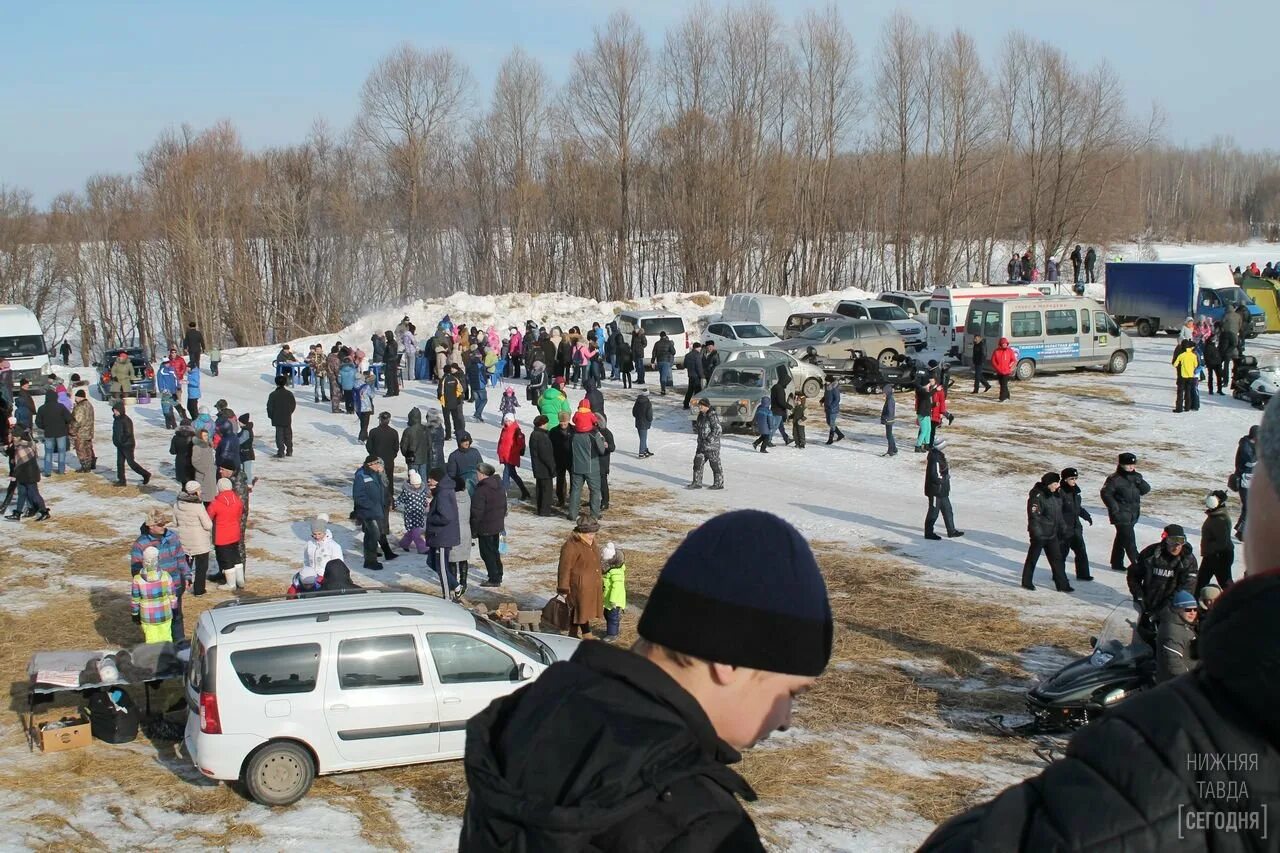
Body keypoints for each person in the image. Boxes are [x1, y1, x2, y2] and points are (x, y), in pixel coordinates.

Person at [461, 510, 831, 851]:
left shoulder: (536, 712)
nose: (786, 721)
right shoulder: (704, 828)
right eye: (790, 692)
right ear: (730, 661)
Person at [130, 507, 190, 637]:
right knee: (158, 621)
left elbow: (181, 557)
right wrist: (150, 581)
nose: (164, 526)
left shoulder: (172, 537)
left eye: (164, 523)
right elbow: (135, 570)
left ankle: (179, 646)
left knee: (177, 616)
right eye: (160, 524)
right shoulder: (140, 544)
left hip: (175, 584)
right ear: (151, 526)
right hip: (154, 591)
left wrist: (187, 575)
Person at [1129, 524, 1197, 623]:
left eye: (1181, 541)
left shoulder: (1187, 559)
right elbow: (1133, 575)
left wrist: (1167, 605)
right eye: (1172, 541)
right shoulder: (1151, 554)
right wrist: (1139, 596)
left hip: (1173, 610)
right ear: (1165, 540)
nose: (1176, 546)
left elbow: (1187, 587)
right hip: (1147, 605)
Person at [1101, 451, 1150, 574]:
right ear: (1121, 465)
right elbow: (1106, 493)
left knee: (1121, 538)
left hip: (1133, 513)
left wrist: (1140, 482)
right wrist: (1114, 508)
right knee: (1129, 541)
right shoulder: (1114, 479)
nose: (1131, 467)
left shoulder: (1137, 476)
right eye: (1128, 465)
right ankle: (1139, 566)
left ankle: (1116, 562)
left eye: (1133, 465)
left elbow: (1145, 490)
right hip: (1121, 515)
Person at [1022, 472, 1072, 592]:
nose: (1057, 486)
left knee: (1057, 559)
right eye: (1055, 483)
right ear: (1048, 484)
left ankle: (1063, 585)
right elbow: (1034, 517)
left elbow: (1058, 515)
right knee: (1033, 559)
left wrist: (1064, 529)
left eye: (1057, 483)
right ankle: (1026, 582)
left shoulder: (1056, 496)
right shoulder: (1037, 496)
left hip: (1052, 534)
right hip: (1039, 534)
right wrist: (1037, 534)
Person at [556, 514, 603, 638]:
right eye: (589, 533)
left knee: (578, 610)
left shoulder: (591, 543)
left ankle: (572, 634)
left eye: (594, 532)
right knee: (581, 611)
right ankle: (587, 634)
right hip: (578, 586)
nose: (592, 535)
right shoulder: (571, 546)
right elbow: (564, 568)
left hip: (589, 585)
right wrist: (563, 588)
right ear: (581, 532)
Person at [424, 467, 463, 599]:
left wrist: (430, 516)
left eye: (431, 478)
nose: (428, 480)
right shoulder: (440, 491)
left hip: (442, 537)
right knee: (431, 562)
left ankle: (447, 596)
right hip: (437, 536)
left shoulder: (443, 494)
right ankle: (456, 586)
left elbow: (446, 516)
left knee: (441, 567)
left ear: (438, 480)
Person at [174, 481, 214, 595]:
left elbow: (174, 522)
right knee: (201, 567)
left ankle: (183, 586)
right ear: (196, 491)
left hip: (184, 541)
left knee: (185, 566)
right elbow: (208, 525)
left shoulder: (177, 504)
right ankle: (199, 590)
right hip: (199, 542)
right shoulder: (198, 506)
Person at [130, 546, 176, 644]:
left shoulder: (137, 579)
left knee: (151, 640)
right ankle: (168, 657)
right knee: (166, 638)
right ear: (157, 560)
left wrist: (135, 614)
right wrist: (174, 609)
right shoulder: (166, 576)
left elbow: (135, 599)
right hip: (165, 614)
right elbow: (172, 595)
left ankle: (152, 657)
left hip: (148, 617)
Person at [471, 463, 507, 587]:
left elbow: (476, 512)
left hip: (485, 526)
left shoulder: (481, 490)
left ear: (483, 474)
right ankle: (498, 573)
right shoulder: (499, 485)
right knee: (494, 550)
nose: (476, 476)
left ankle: (494, 578)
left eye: (477, 474)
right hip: (496, 525)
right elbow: (504, 505)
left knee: (487, 553)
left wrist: (473, 529)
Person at [206, 477, 244, 591]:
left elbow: (208, 518)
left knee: (225, 559)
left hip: (222, 537)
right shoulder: (237, 500)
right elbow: (239, 514)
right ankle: (240, 580)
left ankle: (231, 584)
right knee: (235, 557)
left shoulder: (216, 503)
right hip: (235, 533)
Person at [4, 428, 49, 521]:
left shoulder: (22, 448)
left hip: (29, 475)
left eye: (15, 437)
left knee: (34, 494)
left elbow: (19, 465)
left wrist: (13, 475)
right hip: (23, 474)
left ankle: (44, 512)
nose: (14, 438)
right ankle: (17, 513)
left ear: (20, 437)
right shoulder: (25, 444)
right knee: (22, 493)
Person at [1156, 588, 1200, 683]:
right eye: (1188, 609)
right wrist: (1192, 681)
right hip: (1178, 685)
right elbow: (1174, 664)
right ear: (1178, 610)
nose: (1193, 612)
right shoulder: (1173, 631)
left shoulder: (1183, 625)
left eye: (1195, 609)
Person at [353, 456, 388, 571]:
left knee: (369, 534)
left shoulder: (375, 473)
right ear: (370, 464)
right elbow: (358, 496)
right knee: (374, 535)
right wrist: (370, 506)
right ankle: (370, 561)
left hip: (377, 509)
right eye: (377, 463)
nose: (379, 465)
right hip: (368, 511)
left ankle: (369, 557)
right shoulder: (361, 475)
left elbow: (383, 487)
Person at [1058, 467, 1094, 582]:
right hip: (1064, 528)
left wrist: (1086, 516)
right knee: (1062, 553)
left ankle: (1083, 574)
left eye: (1076, 478)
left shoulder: (1076, 493)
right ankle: (1058, 575)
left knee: (1081, 551)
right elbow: (1056, 510)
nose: (1074, 481)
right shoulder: (1060, 493)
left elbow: (1077, 508)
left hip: (1076, 527)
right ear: (1064, 479)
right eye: (1071, 478)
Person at [567, 405, 603, 519]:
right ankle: (594, 515)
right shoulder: (594, 435)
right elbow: (601, 450)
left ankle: (572, 514)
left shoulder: (573, 435)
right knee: (595, 491)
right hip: (592, 467)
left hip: (577, 466)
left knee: (575, 491)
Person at [924, 437, 962, 540]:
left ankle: (951, 531)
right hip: (935, 491)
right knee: (933, 512)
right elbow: (934, 475)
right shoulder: (935, 458)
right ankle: (928, 533)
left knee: (948, 510)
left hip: (942, 490)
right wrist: (945, 478)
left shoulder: (939, 455)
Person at [1197, 491, 1234, 591]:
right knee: (1201, 582)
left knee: (1202, 583)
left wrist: (1209, 549)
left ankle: (1238, 603)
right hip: (1214, 555)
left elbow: (1222, 542)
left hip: (1218, 556)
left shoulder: (1220, 519)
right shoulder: (1216, 515)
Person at [111, 402, 151, 486]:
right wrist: (115, 441)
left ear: (120, 410)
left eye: (116, 410)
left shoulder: (126, 420)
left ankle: (145, 474)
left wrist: (122, 441)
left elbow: (128, 433)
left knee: (131, 463)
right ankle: (121, 480)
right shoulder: (116, 419)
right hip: (120, 445)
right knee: (120, 463)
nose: (115, 412)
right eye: (114, 410)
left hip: (127, 445)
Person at [366, 410, 400, 505]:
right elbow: (396, 447)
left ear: (380, 420)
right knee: (389, 481)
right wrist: (392, 456)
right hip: (389, 461)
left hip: (376, 462)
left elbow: (369, 446)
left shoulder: (373, 432)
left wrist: (373, 456)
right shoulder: (394, 432)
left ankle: (377, 500)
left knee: (376, 480)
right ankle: (390, 500)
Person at [35, 390, 72, 477]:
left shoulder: (42, 408)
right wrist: (64, 425)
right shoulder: (61, 407)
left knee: (48, 452)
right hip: (61, 432)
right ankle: (61, 470)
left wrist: (44, 427)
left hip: (48, 433)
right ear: (56, 397)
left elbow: (38, 422)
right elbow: (69, 418)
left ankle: (47, 471)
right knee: (62, 452)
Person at [395, 470, 431, 554]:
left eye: (418, 484)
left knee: (412, 532)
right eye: (415, 485)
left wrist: (426, 504)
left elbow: (423, 499)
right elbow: (400, 499)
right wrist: (394, 505)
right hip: (410, 516)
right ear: (411, 484)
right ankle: (422, 548)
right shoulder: (407, 492)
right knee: (416, 533)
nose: (417, 486)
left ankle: (403, 544)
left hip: (418, 514)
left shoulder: (422, 490)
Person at [497, 414, 531, 501]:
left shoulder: (516, 430)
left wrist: (514, 452)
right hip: (505, 455)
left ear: (512, 421)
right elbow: (501, 441)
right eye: (506, 421)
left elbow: (520, 444)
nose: (507, 422)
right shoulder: (504, 429)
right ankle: (525, 491)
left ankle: (503, 494)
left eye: (509, 421)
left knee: (506, 474)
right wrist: (499, 450)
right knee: (513, 474)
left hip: (511, 456)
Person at [529, 415, 556, 517]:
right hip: (544, 468)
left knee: (540, 489)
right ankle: (545, 511)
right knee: (546, 491)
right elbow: (546, 455)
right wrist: (552, 467)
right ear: (543, 424)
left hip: (537, 467)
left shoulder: (534, 434)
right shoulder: (542, 437)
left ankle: (540, 509)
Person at [399, 406, 433, 488]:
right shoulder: (425, 429)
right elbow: (430, 444)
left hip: (412, 459)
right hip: (423, 458)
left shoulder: (408, 431)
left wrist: (406, 455)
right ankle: (423, 494)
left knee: (413, 479)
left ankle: (413, 494)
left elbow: (403, 446)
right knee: (423, 478)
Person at [302, 516, 345, 581]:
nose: (317, 536)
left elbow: (338, 564)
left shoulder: (333, 546)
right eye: (314, 534)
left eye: (319, 534)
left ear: (324, 532)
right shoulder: (310, 544)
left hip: (326, 577)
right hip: (312, 577)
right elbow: (306, 559)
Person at [1233, 425, 1256, 540]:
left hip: (1251, 480)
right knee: (1248, 506)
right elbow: (1250, 462)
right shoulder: (1245, 446)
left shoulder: (1251, 444)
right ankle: (1241, 532)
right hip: (1244, 480)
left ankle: (1241, 528)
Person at [446, 431, 483, 496]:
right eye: (463, 441)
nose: (466, 443)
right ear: (459, 442)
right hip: (463, 484)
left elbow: (482, 468)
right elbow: (452, 474)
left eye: (467, 440)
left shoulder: (475, 452)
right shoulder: (454, 456)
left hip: (477, 481)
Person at [550, 409, 573, 509]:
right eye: (561, 422)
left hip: (571, 459)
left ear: (568, 420)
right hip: (559, 459)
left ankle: (573, 499)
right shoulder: (553, 431)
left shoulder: (574, 430)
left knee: (574, 480)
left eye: (565, 422)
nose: (563, 424)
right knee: (560, 480)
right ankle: (561, 499)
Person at [70, 389, 95, 472]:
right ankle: (91, 464)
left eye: (76, 397)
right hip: (89, 431)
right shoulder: (89, 405)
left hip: (81, 433)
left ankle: (85, 467)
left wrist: (72, 430)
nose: (75, 399)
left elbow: (77, 421)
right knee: (88, 448)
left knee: (80, 449)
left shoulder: (80, 407)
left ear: (79, 397)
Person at [438, 364, 465, 440]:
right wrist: (457, 398)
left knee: (447, 420)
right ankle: (458, 433)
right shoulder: (455, 378)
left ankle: (448, 435)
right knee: (456, 419)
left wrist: (441, 399)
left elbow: (440, 392)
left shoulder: (443, 379)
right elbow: (460, 389)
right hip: (454, 402)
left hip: (446, 403)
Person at [595, 413, 616, 509]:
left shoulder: (607, 433)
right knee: (594, 483)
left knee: (603, 483)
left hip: (603, 462)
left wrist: (607, 446)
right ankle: (594, 500)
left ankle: (605, 501)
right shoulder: (593, 431)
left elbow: (612, 447)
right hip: (594, 461)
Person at [1172, 339, 1199, 413]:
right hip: (1190, 375)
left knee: (1180, 392)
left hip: (1181, 375)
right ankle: (1187, 407)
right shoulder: (1193, 355)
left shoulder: (1181, 355)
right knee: (1188, 391)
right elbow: (1196, 365)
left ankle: (1179, 408)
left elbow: (1174, 364)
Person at [629, 388, 653, 459]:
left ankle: (645, 450)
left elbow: (634, 412)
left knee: (642, 438)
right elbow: (649, 415)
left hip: (638, 422)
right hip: (644, 423)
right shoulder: (648, 403)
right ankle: (641, 453)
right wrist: (650, 420)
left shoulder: (637, 401)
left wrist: (638, 417)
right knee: (643, 439)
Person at [990, 337, 1016, 401]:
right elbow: (993, 361)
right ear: (1000, 344)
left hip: (1007, 371)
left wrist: (1010, 367)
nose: (1004, 345)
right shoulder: (996, 351)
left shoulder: (1010, 351)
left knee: (1003, 385)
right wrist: (997, 367)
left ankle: (1002, 397)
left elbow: (1013, 360)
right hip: (999, 371)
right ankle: (1007, 395)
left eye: (1005, 344)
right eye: (1003, 344)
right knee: (1002, 384)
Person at [769, 375, 792, 446]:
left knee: (781, 426)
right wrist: (790, 407)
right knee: (774, 426)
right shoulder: (780, 389)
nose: (787, 384)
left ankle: (786, 439)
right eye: (787, 382)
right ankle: (767, 440)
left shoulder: (775, 387)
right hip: (778, 410)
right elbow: (781, 402)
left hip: (775, 409)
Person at [354, 370, 376, 442]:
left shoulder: (353, 386)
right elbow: (372, 395)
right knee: (365, 424)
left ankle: (366, 436)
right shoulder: (366, 386)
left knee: (362, 422)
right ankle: (361, 438)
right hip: (366, 407)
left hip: (357, 407)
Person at [913, 376, 934, 452]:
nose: (929, 386)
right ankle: (918, 446)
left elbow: (927, 403)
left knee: (929, 429)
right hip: (922, 414)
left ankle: (926, 444)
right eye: (928, 385)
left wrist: (934, 405)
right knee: (924, 430)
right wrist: (934, 389)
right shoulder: (921, 392)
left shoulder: (926, 391)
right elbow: (927, 395)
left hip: (927, 412)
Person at [652, 331, 676, 395]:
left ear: (660, 336)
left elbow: (653, 353)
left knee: (661, 375)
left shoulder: (657, 343)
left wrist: (652, 362)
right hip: (666, 361)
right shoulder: (669, 343)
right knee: (664, 375)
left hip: (659, 361)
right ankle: (663, 389)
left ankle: (663, 388)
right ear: (665, 336)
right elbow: (673, 352)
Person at [821, 376, 844, 444]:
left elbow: (837, 399)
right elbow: (826, 396)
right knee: (829, 422)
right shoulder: (827, 387)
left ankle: (830, 439)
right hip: (827, 408)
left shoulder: (834, 388)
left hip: (833, 409)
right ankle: (840, 434)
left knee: (831, 423)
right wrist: (822, 400)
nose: (826, 382)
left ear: (830, 381)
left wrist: (831, 406)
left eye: (827, 381)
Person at [466, 348, 487, 421]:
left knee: (477, 400)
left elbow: (467, 376)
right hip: (480, 385)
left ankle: (479, 416)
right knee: (484, 400)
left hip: (473, 386)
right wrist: (485, 382)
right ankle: (477, 413)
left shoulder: (470, 366)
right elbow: (483, 376)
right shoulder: (480, 366)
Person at [682, 342, 705, 410]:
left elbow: (685, 365)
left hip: (690, 375)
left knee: (690, 391)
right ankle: (696, 405)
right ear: (697, 348)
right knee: (697, 392)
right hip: (696, 376)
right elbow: (699, 367)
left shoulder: (687, 355)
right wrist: (702, 376)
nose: (700, 349)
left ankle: (686, 404)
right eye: (700, 348)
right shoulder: (697, 356)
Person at [880, 383, 897, 457]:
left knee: (889, 435)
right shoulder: (889, 398)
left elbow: (890, 411)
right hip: (889, 419)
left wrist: (886, 418)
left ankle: (890, 451)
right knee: (889, 435)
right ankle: (894, 449)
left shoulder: (890, 399)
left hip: (888, 420)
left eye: (884, 392)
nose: (883, 394)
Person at [383, 330, 400, 397]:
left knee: (389, 378)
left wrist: (386, 358)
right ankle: (396, 391)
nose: (386, 337)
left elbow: (391, 353)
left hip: (390, 362)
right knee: (394, 377)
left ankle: (390, 392)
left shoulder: (391, 344)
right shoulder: (393, 343)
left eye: (387, 336)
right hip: (393, 362)